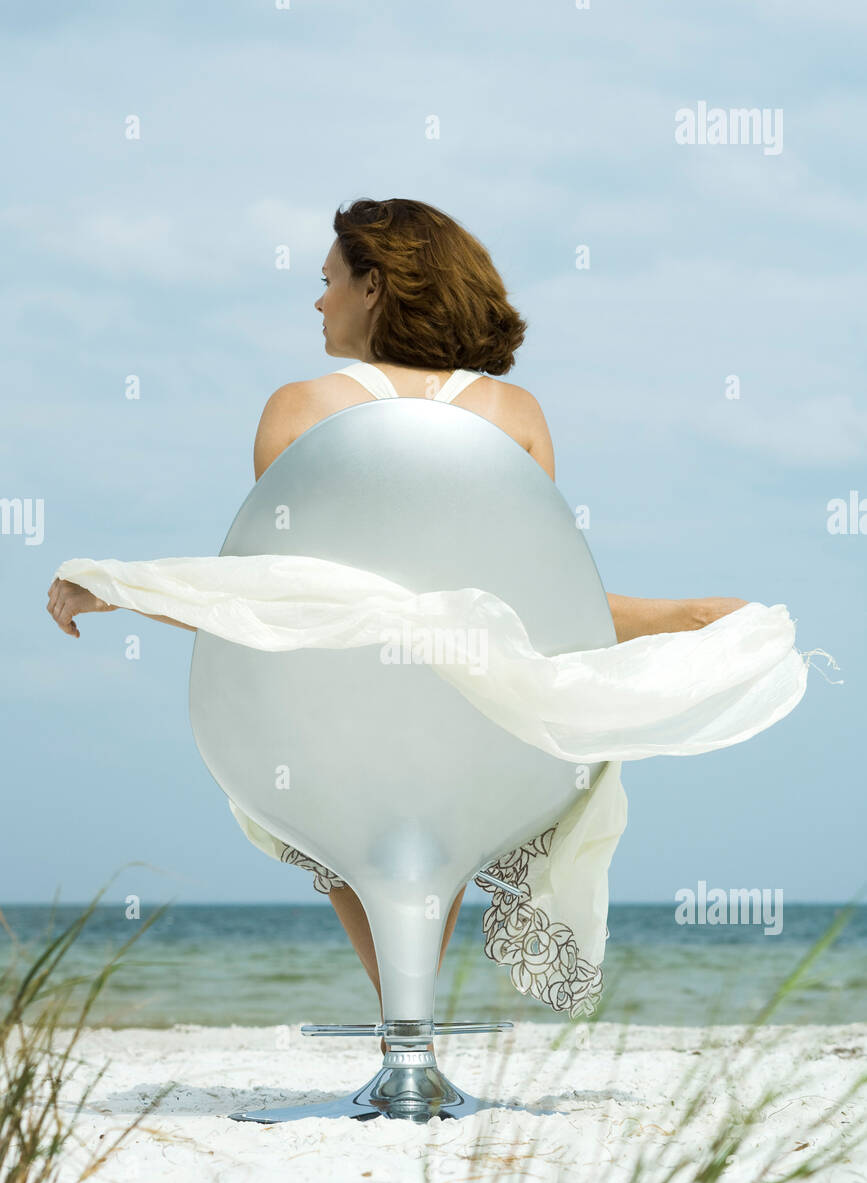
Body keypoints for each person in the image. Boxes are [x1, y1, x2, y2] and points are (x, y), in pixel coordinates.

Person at [47, 197, 747, 1052]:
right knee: (442, 762)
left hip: (337, 718)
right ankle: (409, 1036)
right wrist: (673, 618)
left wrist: (123, 587)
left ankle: (404, 1032)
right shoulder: (512, 416)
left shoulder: (298, 409)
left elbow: (283, 595)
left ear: (373, 285)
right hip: (482, 724)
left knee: (361, 774)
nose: (317, 302)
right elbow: (526, 604)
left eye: (328, 282)